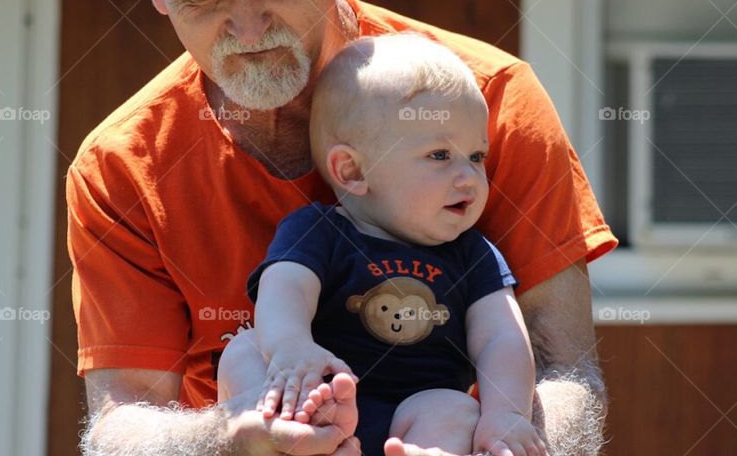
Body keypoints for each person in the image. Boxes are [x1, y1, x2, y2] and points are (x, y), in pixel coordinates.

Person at [69, 0, 617, 455]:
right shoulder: (123, 165)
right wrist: (232, 438)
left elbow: (565, 372)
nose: (248, 28)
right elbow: (122, 420)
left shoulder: (487, 102)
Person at [226, 34, 545, 456]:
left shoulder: (473, 254)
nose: (469, 177)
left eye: (476, 156)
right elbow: (286, 289)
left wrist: (507, 414)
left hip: (418, 410)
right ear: (353, 171)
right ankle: (284, 434)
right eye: (439, 155)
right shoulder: (319, 230)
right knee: (246, 348)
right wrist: (292, 348)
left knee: (455, 409)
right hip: (325, 392)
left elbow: (501, 338)